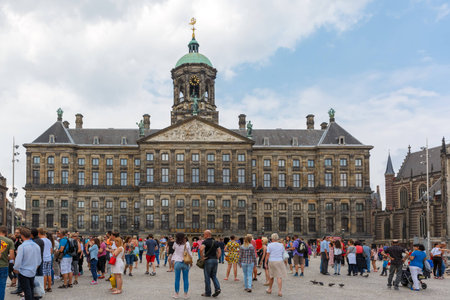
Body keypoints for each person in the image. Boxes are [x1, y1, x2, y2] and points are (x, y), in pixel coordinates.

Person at [13, 227, 42, 300]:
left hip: (23, 271)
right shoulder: (36, 246)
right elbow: (39, 260)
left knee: (27, 290)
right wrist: (35, 267)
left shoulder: (22, 246)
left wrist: (16, 268)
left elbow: (18, 260)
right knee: (31, 289)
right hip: (32, 270)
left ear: (22, 236)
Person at [200, 230, 221, 297]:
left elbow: (201, 249)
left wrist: (202, 257)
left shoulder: (205, 242)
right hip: (215, 260)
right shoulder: (215, 242)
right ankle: (217, 289)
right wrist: (217, 257)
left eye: (204, 234)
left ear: (207, 235)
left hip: (208, 260)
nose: (203, 236)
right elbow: (219, 251)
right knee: (214, 275)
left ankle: (208, 292)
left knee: (207, 277)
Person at [172, 233, 192, 299]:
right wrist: (191, 262)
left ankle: (176, 294)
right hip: (185, 262)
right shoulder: (187, 244)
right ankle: (185, 294)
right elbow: (190, 253)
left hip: (177, 262)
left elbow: (173, 249)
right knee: (185, 279)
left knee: (177, 279)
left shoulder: (175, 243)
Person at [0, 226, 14, 300]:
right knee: (2, 286)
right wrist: (6, 257)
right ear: (6, 233)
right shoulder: (9, 241)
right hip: (3, 265)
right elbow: (11, 257)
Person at [37, 228, 52, 292]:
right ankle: (49, 287)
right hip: (49, 258)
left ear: (39, 233)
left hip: (43, 258)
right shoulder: (48, 240)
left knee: (44, 273)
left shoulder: (40, 240)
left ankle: (44, 288)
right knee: (49, 273)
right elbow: (51, 250)